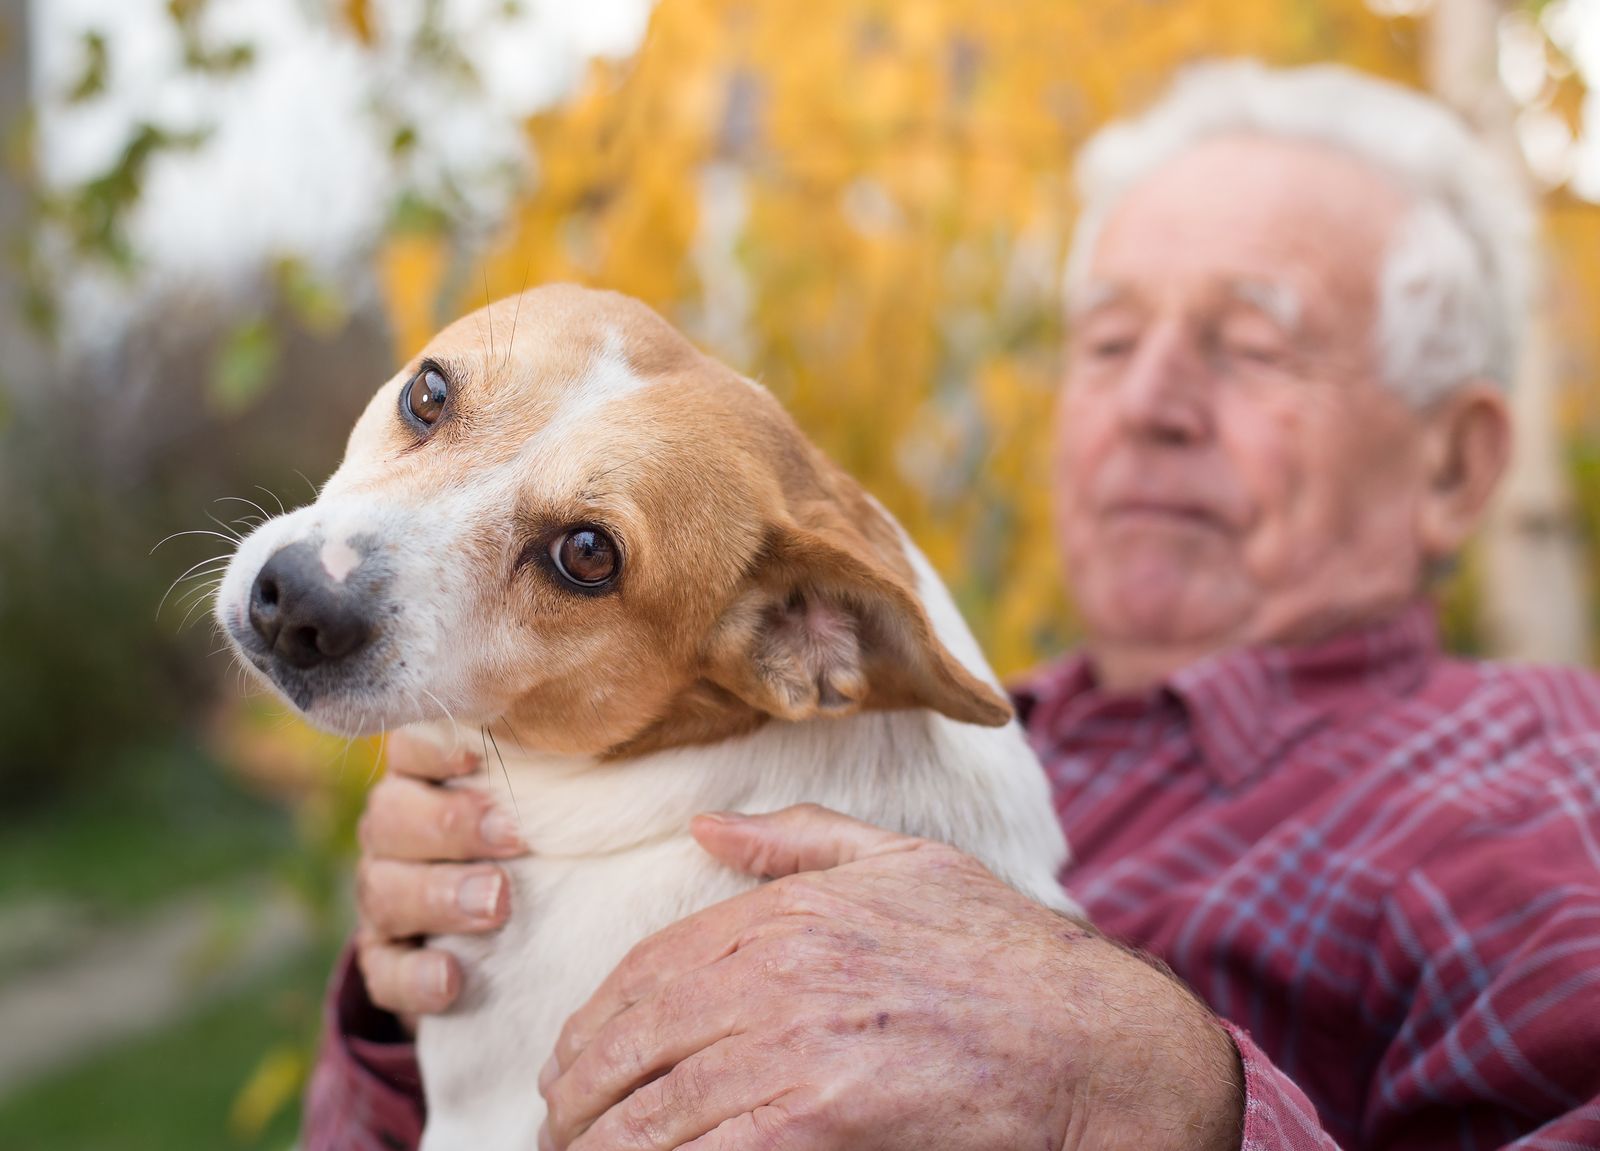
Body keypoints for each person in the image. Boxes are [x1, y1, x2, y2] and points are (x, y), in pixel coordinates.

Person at [304, 61, 1600, 1150]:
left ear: (1455, 464)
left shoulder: (1539, 784)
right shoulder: (856, 717)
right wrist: (425, 986)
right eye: (1104, 339)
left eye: (1251, 347)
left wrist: (1160, 1098)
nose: (1147, 403)